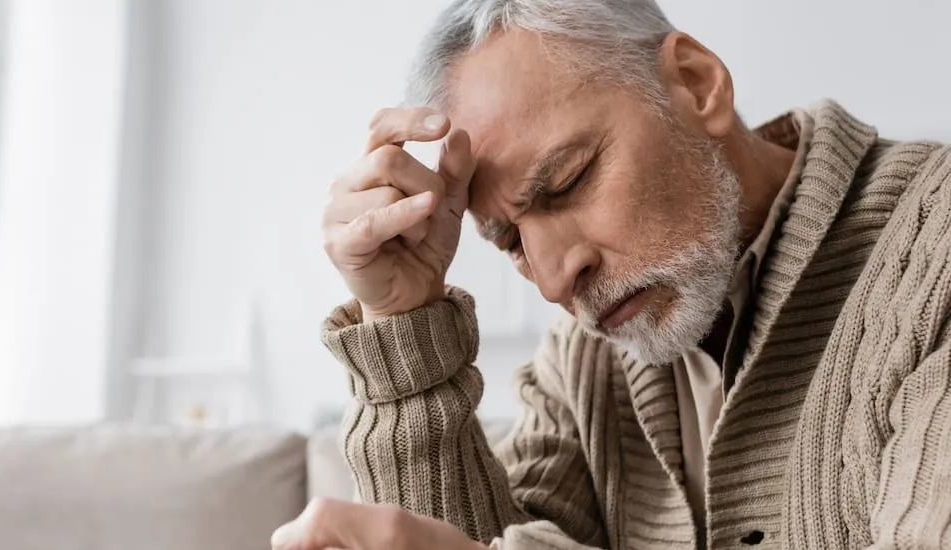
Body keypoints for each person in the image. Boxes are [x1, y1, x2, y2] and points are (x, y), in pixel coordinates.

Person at [271, 0, 951, 549]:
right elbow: (483, 539)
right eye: (508, 237)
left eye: (565, 183)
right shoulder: (584, 362)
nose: (554, 280)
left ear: (695, 82)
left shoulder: (936, 247)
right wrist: (403, 321)